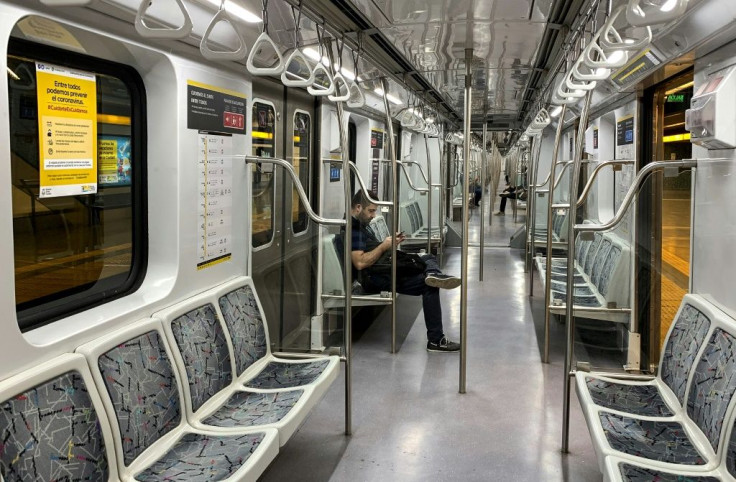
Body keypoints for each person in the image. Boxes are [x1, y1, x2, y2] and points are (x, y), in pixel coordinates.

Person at [348, 190, 461, 352]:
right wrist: (384, 246)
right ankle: (436, 340)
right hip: (372, 278)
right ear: (358, 207)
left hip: (379, 269)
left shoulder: (361, 225)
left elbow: (370, 251)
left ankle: (432, 274)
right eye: (371, 211)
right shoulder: (355, 230)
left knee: (427, 257)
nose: (373, 215)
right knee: (429, 286)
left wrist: (390, 244)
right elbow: (359, 263)